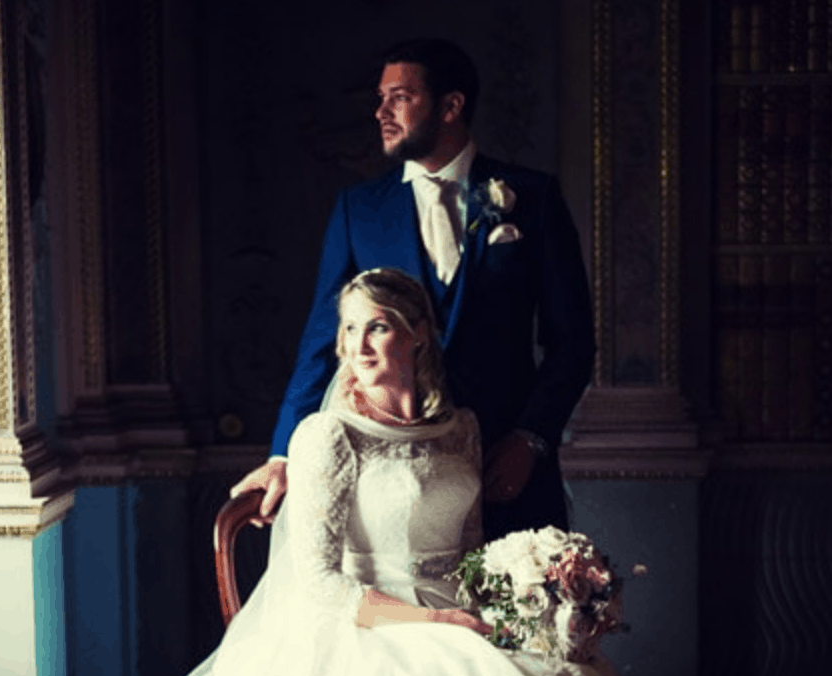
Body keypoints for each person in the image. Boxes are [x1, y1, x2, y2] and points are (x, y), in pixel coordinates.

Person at [164, 269, 668, 676]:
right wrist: (435, 621)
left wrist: (534, 600)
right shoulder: (328, 437)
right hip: (369, 626)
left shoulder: (461, 429)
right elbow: (319, 581)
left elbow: (472, 549)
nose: (358, 346)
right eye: (349, 328)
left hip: (459, 605)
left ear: (419, 333)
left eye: (377, 327)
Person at [232, 38, 596, 542]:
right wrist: (282, 454)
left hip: (505, 467)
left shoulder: (531, 198)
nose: (381, 111)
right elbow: (321, 340)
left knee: (520, 615)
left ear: (451, 106)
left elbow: (573, 341)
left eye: (399, 97)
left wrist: (530, 439)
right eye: (381, 98)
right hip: (396, 478)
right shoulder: (359, 210)